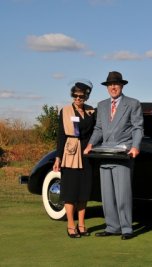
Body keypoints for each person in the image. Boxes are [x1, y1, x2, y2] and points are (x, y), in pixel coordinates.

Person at [84, 71, 143, 240]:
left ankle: (126, 228)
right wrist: (90, 145)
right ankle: (112, 226)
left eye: (116, 84)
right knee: (107, 194)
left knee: (123, 193)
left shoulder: (133, 104)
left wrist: (136, 147)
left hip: (123, 153)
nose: (113, 87)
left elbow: (138, 127)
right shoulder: (102, 105)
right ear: (107, 87)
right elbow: (98, 129)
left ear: (122, 86)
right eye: (110, 85)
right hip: (104, 152)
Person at [53, 80, 96, 238]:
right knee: (71, 191)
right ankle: (71, 225)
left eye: (81, 96)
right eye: (75, 96)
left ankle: (82, 224)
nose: (78, 99)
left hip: (86, 154)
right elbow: (61, 135)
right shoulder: (65, 111)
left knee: (84, 192)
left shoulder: (91, 111)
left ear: (86, 97)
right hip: (70, 153)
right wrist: (58, 157)